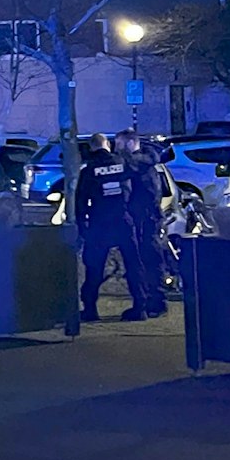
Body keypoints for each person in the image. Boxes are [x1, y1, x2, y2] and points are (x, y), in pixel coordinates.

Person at [78, 133, 148, 322]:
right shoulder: (125, 162)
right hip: (123, 220)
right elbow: (140, 186)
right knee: (134, 264)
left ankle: (90, 309)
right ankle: (140, 307)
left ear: (92, 147)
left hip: (99, 223)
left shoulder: (89, 170)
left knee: (94, 267)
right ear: (107, 144)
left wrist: (82, 227)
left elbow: (81, 202)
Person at [116, 131, 168, 318]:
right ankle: (155, 300)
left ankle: (152, 302)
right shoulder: (147, 162)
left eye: (119, 144)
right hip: (149, 218)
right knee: (151, 259)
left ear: (130, 144)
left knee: (146, 260)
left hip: (144, 220)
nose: (117, 148)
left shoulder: (137, 164)